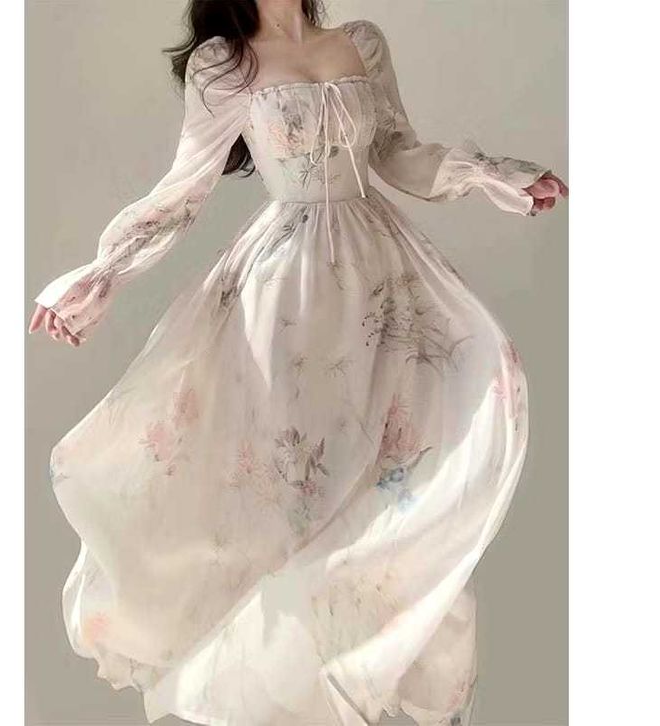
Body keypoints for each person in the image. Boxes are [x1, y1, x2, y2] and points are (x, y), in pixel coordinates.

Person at [29, 1, 567, 724]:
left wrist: (493, 177)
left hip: (381, 285)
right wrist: (98, 277)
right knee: (290, 501)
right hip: (285, 295)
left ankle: (358, 677)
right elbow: (182, 192)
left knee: (386, 488)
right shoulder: (224, 64)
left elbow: (397, 153)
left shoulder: (361, 43)